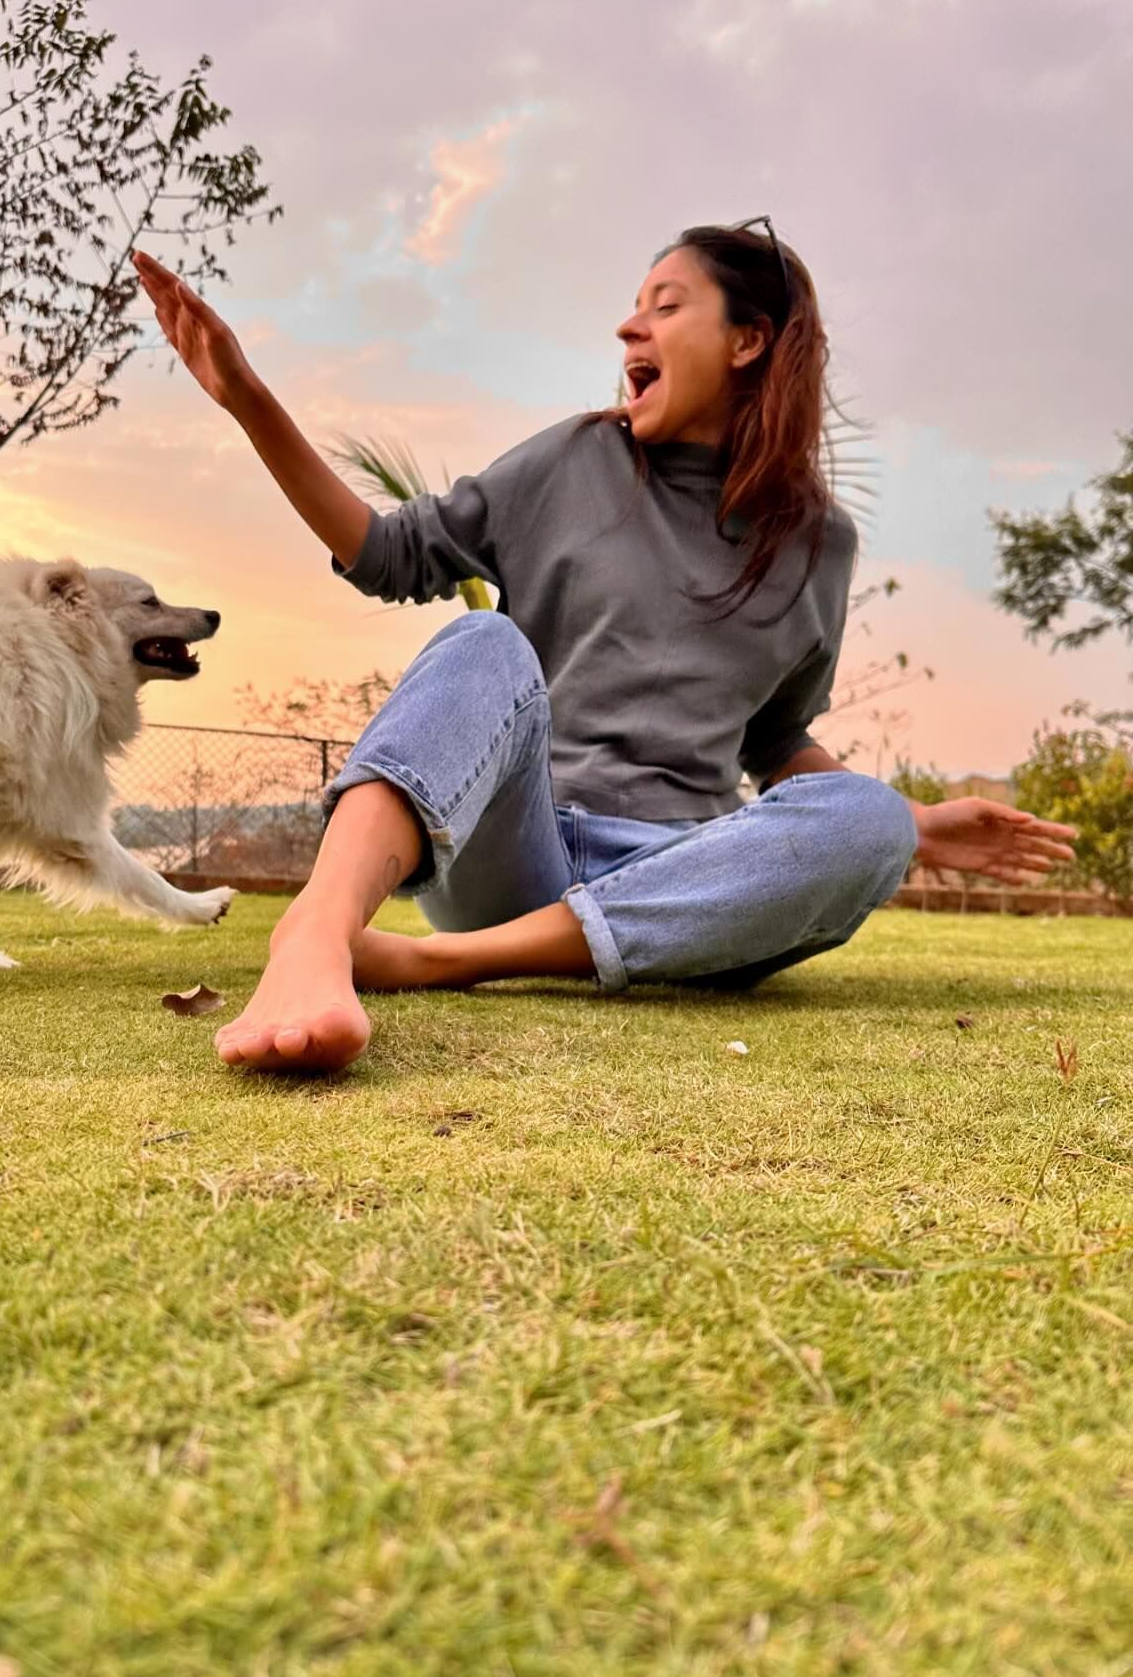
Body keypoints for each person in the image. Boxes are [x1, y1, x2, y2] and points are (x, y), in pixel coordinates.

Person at [133, 224, 1076, 1072]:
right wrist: (248, 401)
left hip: (684, 888)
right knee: (484, 640)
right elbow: (388, 554)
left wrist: (914, 822)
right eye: (634, 308)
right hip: (521, 853)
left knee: (871, 819)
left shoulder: (817, 544)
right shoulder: (575, 459)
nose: (630, 328)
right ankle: (317, 934)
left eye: (666, 306)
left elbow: (777, 740)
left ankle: (439, 963)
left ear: (748, 341)